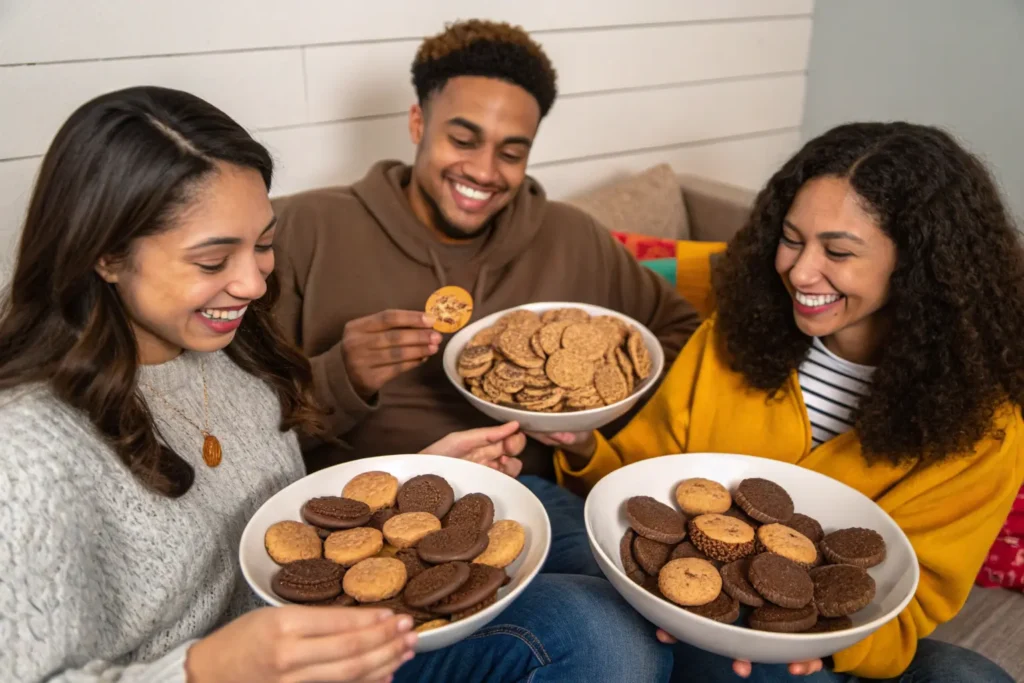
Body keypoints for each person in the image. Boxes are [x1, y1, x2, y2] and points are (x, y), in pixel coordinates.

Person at [0, 86, 674, 683]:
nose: (254, 283)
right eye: (213, 258)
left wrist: (408, 484)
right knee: (609, 633)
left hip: (335, 625)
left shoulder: (230, 353)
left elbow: (283, 517)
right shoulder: (27, 449)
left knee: (621, 614)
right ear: (107, 253)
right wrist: (208, 669)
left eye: (263, 244)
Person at [548, 122, 1023, 682]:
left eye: (838, 251)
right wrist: (581, 445)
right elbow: (638, 491)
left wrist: (825, 652)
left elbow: (912, 602)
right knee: (544, 512)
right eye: (792, 239)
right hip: (675, 602)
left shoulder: (982, 425)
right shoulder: (731, 338)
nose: (799, 271)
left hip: (820, 647)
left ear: (919, 265)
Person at [272, 19, 700, 485]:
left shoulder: (574, 238)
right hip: (365, 501)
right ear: (418, 123)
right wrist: (341, 376)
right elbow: (235, 430)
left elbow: (683, 335)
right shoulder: (304, 229)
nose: (484, 171)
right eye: (462, 140)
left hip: (536, 498)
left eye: (512, 153)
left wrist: (593, 414)